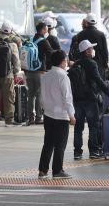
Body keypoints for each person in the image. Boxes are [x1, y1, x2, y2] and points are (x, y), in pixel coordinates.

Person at [72, 40, 109, 160]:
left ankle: (77, 152)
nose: (93, 50)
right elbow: (98, 80)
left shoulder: (75, 65)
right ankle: (93, 151)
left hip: (77, 100)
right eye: (91, 48)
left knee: (78, 127)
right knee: (93, 126)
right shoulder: (92, 63)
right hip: (90, 99)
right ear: (87, 51)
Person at [38, 50, 75, 180]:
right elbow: (67, 98)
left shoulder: (46, 76)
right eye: (65, 60)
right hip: (61, 116)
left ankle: (43, 170)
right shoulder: (63, 76)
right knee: (60, 144)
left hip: (48, 114)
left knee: (48, 143)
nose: (66, 63)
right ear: (61, 62)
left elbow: (42, 95)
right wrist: (72, 115)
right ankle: (57, 170)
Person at [0, 21, 22, 127]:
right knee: (9, 98)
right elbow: (16, 61)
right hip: (8, 75)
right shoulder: (12, 44)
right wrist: (16, 73)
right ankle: (9, 120)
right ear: (10, 32)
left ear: (0, 31)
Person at [26, 22, 54, 124]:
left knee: (30, 95)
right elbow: (52, 54)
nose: (47, 32)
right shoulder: (44, 42)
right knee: (39, 94)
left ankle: (30, 118)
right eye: (46, 30)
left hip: (29, 71)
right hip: (40, 71)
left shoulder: (30, 40)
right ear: (42, 31)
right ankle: (38, 118)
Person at [75, 13, 109, 79]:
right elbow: (105, 52)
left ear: (86, 22)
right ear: (96, 22)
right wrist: (105, 65)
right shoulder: (101, 34)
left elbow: (79, 51)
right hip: (99, 66)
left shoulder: (80, 35)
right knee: (99, 86)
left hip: (85, 66)